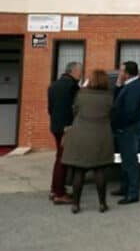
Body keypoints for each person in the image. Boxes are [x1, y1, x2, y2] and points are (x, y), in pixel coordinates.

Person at [60, 69, 114, 213]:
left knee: (79, 171)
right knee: (100, 171)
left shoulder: (81, 94)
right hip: (101, 136)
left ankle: (76, 204)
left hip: (81, 135)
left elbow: (75, 111)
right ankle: (102, 204)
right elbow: (111, 114)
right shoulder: (109, 96)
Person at [47, 61, 81, 205]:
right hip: (66, 128)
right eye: (80, 71)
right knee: (63, 160)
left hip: (55, 126)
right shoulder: (72, 86)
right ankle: (59, 194)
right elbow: (74, 108)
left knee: (59, 158)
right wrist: (69, 125)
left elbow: (50, 108)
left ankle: (55, 190)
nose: (80, 74)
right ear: (73, 71)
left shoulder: (53, 85)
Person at [111, 61, 140, 205]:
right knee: (124, 160)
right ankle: (124, 187)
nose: (119, 73)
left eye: (121, 71)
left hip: (128, 129)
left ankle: (133, 193)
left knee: (130, 162)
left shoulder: (135, 87)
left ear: (127, 73)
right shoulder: (128, 85)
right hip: (125, 129)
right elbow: (117, 100)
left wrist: (119, 125)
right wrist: (118, 85)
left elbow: (129, 112)